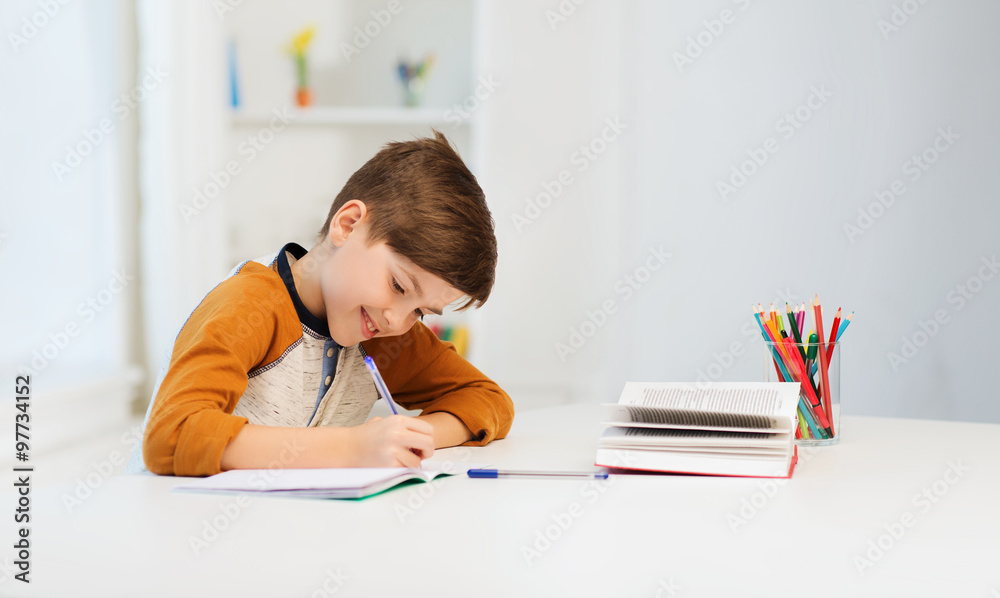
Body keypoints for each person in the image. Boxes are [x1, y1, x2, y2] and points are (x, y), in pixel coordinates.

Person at [127, 131, 513, 476]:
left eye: (420, 311)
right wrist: (353, 448)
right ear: (347, 226)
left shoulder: (383, 332)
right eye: (397, 285)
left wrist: (410, 437)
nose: (398, 320)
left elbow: (489, 400)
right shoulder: (250, 305)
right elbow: (170, 434)